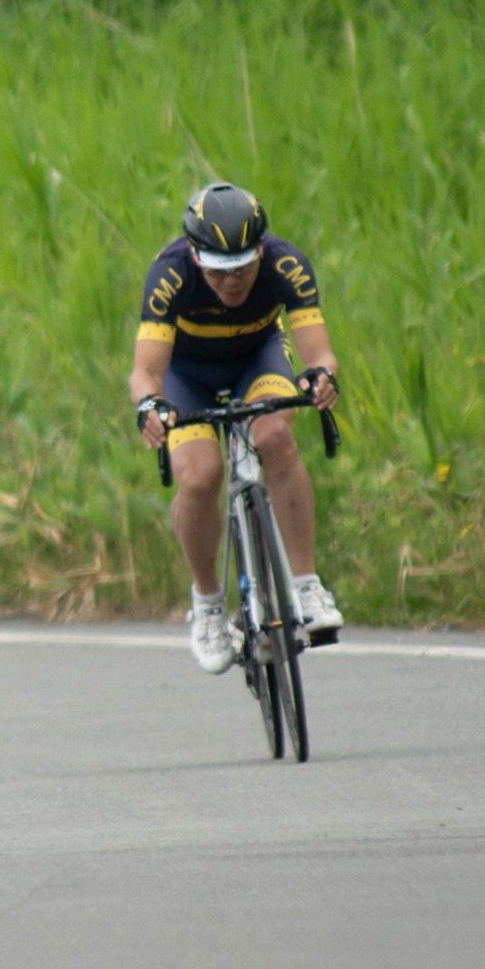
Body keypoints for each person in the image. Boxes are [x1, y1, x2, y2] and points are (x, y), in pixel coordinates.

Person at [127, 183, 342, 673]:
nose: (232, 282)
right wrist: (150, 406)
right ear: (196, 258)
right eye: (219, 271)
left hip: (257, 358)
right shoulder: (170, 273)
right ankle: (208, 604)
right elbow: (145, 372)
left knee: (273, 436)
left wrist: (321, 377)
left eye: (243, 268)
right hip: (187, 377)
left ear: (261, 251)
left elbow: (320, 354)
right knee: (200, 475)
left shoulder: (286, 264)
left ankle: (307, 587)